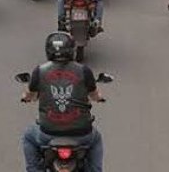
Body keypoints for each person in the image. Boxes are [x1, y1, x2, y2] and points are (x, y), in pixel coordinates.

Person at [20, 32, 105, 172]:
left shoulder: (39, 71)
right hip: (82, 134)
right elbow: (94, 95)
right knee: (96, 140)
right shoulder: (84, 71)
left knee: (28, 137)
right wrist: (99, 98)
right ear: (71, 50)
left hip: (47, 133)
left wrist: (26, 97)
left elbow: (30, 95)